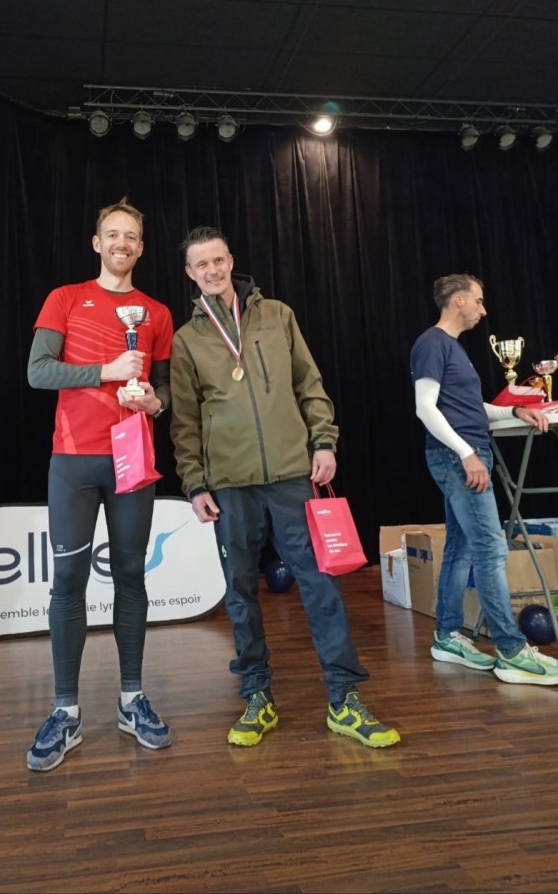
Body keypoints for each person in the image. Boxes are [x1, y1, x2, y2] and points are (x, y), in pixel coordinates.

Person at [169, 225, 400, 749]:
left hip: (294, 476)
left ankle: (344, 700)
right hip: (230, 486)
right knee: (240, 593)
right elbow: (184, 421)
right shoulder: (187, 340)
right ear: (190, 273)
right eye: (201, 265)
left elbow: (308, 383)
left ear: (231, 261)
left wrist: (324, 440)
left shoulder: (277, 315)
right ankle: (257, 696)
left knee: (322, 586)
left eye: (218, 260)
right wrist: (195, 483)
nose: (212, 270)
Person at [26, 197, 174, 773]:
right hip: (73, 460)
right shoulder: (65, 298)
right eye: (112, 234)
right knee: (68, 580)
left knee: (132, 576)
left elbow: (163, 391)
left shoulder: (156, 313)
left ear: (141, 247)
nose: (121, 244)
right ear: (97, 243)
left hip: (132, 460)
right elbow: (38, 371)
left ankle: (132, 699)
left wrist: (154, 402)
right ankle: (65, 710)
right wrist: (107, 371)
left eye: (130, 236)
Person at [411, 273, 558, 685]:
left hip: (464, 455)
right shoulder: (432, 343)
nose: (483, 309)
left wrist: (514, 411)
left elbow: (470, 407)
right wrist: (466, 454)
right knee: (491, 550)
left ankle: (447, 636)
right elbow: (425, 408)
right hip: (457, 458)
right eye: (478, 300)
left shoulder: (452, 348)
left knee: (460, 548)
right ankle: (511, 652)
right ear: (458, 300)